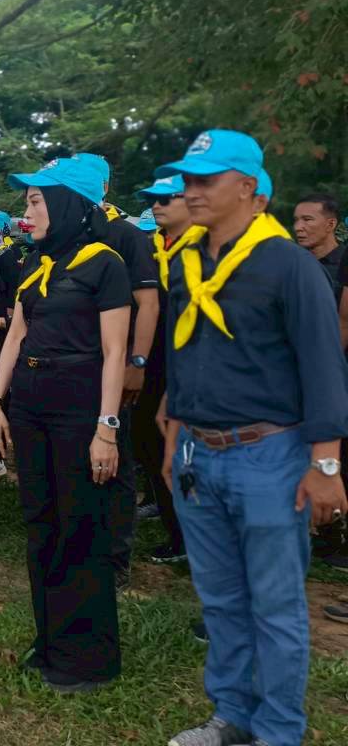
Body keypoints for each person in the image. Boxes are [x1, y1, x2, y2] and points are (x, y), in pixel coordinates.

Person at [153, 131, 348, 746]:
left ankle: (279, 732)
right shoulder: (188, 259)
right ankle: (232, 716)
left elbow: (322, 363)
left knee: (276, 608)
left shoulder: (287, 264)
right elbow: (186, 357)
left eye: (206, 180)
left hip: (269, 455)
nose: (192, 190)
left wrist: (325, 463)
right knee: (221, 602)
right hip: (198, 454)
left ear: (248, 189)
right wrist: (173, 440)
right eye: (188, 180)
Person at [0, 157, 130, 693]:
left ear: (68, 204)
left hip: (78, 411)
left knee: (81, 528)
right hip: (29, 406)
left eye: (36, 200)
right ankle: (50, 640)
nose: (26, 211)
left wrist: (106, 427)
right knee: (41, 524)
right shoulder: (34, 262)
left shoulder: (104, 263)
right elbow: (16, 336)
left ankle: (88, 657)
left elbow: (115, 351)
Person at [73, 152, 160, 591]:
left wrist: (136, 362)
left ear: (105, 188)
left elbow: (148, 303)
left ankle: (115, 560)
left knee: (115, 463)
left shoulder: (126, 235)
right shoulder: (64, 237)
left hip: (115, 366)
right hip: (73, 369)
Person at [130, 175, 191, 566]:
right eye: (153, 198)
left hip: (188, 370)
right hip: (153, 366)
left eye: (167, 198)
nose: (157, 205)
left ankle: (191, 538)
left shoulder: (203, 251)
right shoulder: (151, 249)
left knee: (188, 458)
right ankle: (176, 531)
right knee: (151, 447)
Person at [292, 193, 342, 297]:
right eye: (296, 220)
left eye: (307, 219)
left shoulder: (344, 264)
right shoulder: (292, 264)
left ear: (331, 224)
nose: (297, 227)